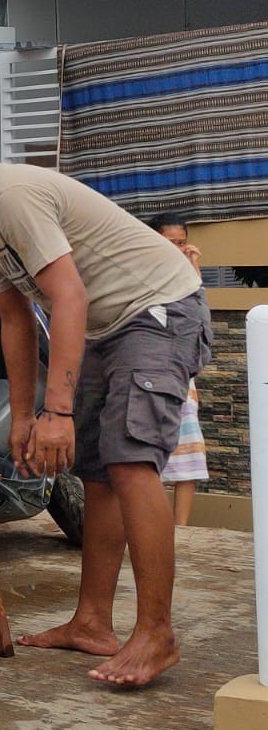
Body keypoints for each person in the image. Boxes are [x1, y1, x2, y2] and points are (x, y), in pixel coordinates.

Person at [0, 110, 210, 688]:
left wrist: (57, 411)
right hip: (105, 328)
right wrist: (23, 415)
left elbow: (68, 294)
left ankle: (157, 633)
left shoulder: (12, 195)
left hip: (158, 310)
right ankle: (92, 621)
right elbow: (15, 316)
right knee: (94, 468)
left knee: (130, 460)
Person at [147, 213, 209, 526]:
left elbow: (198, 308)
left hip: (183, 376)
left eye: (182, 243)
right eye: (171, 243)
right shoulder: (143, 273)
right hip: (151, 372)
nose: (179, 249)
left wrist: (192, 264)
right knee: (148, 453)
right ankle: (153, 524)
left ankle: (181, 528)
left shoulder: (186, 273)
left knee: (189, 451)